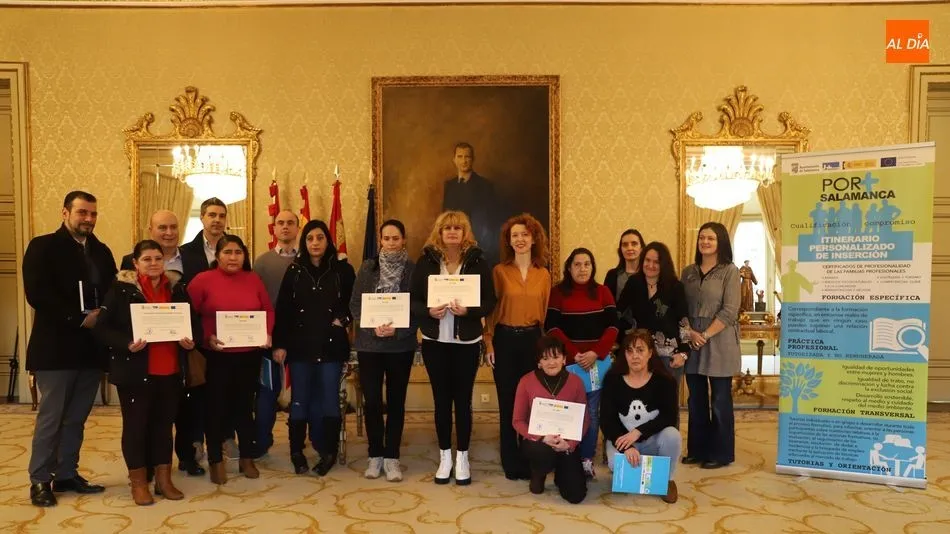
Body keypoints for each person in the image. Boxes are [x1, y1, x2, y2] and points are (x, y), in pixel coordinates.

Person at [23, 191, 117, 507]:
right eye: (82, 213)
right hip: (55, 349)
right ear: (66, 213)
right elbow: (37, 294)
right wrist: (78, 319)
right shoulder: (43, 247)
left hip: (90, 350)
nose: (88, 219)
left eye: (93, 213)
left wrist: (103, 315)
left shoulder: (102, 252)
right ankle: (40, 480)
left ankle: (66, 474)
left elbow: (112, 292)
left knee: (76, 417)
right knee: (51, 418)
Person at [94, 240, 200, 505]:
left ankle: (164, 480)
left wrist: (190, 341)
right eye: (147, 259)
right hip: (135, 371)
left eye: (157, 259)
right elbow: (101, 328)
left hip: (170, 370)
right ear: (136, 263)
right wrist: (127, 343)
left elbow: (192, 324)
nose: (153, 263)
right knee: (136, 427)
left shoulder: (177, 288)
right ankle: (139, 483)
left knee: (164, 428)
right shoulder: (121, 290)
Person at [410, 210, 496, 485]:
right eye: (447, 228)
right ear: (439, 231)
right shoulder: (425, 262)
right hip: (436, 342)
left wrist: (469, 311)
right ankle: (445, 455)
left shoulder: (478, 262)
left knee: (463, 401)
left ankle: (463, 456)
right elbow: (412, 301)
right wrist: (428, 311)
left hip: (466, 343)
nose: (452, 232)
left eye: (457, 228)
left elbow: (488, 302)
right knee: (441, 402)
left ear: (464, 232)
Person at [119, 209, 206, 477]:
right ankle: (143, 471)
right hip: (142, 362)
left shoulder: (189, 264)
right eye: (162, 227)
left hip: (175, 358)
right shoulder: (126, 274)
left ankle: (182, 461)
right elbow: (118, 318)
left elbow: (193, 313)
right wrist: (127, 341)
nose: (168, 232)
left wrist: (194, 339)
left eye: (173, 227)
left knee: (178, 416)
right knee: (142, 422)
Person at [188, 235, 273, 484]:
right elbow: (188, 314)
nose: (233, 257)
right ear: (217, 255)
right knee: (216, 409)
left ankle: (246, 457)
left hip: (249, 355)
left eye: (238, 252)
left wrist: (266, 332)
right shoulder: (203, 280)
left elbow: (267, 309)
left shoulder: (253, 279)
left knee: (245, 408)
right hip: (216, 356)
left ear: (244, 255)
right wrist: (206, 336)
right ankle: (216, 460)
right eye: (227, 252)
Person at [273, 220, 355, 476]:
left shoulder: (343, 270)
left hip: (331, 345)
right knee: (300, 401)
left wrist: (343, 319)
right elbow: (283, 310)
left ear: (327, 240)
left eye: (320, 237)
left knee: (330, 400)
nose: (315, 243)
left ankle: (328, 451)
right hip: (300, 347)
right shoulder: (294, 270)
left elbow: (355, 301)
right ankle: (296, 451)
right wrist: (279, 344)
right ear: (304, 242)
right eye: (310, 239)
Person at [483, 213, 551, 481]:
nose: (520, 239)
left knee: (535, 403)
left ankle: (531, 456)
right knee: (508, 402)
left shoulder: (543, 274)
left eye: (525, 234)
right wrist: (489, 342)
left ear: (533, 238)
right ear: (509, 242)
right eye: (515, 236)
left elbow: (546, 313)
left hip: (533, 341)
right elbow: (490, 312)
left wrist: (546, 351)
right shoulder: (499, 272)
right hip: (505, 340)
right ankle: (511, 461)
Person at [350, 219, 416, 482]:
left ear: (403, 240)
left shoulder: (413, 269)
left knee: (397, 402)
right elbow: (356, 304)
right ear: (380, 240)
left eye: (395, 238)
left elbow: (418, 307)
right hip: (370, 346)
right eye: (386, 238)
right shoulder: (367, 267)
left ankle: (392, 457)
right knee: (373, 402)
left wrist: (398, 331)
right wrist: (370, 328)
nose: (390, 243)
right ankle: (375, 454)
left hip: (400, 346)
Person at [544, 248, 618, 480]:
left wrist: (595, 353)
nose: (583, 269)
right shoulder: (558, 293)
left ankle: (586, 458)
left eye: (587, 264)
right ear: (569, 267)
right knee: (567, 412)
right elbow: (552, 327)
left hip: (597, 364)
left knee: (592, 414)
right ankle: (564, 455)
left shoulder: (603, 292)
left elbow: (613, 327)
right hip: (569, 364)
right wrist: (575, 354)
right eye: (577, 264)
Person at [681, 222, 741, 469]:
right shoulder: (688, 272)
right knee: (695, 399)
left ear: (721, 242)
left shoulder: (730, 271)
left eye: (711, 238)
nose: (705, 242)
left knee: (719, 400)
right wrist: (689, 332)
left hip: (720, 341)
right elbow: (679, 305)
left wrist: (703, 335)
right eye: (702, 237)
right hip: (691, 340)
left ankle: (720, 453)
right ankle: (697, 450)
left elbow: (730, 311)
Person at [600, 329, 680, 503]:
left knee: (672, 436)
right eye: (630, 351)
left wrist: (638, 432)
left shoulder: (665, 381)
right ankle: (644, 469)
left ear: (650, 353)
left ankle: (667, 479)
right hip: (623, 441)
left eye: (640, 350)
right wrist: (626, 447)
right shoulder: (612, 380)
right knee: (615, 464)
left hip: (651, 440)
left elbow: (669, 418)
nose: (634, 356)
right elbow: (607, 420)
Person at [511, 336, 588, 504]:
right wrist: (541, 437)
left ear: (564, 359)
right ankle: (538, 472)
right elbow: (517, 421)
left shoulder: (576, 383)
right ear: (539, 361)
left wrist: (570, 444)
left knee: (576, 496)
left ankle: (561, 473)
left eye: (556, 357)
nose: (551, 362)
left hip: (566, 443)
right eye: (545, 358)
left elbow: (584, 419)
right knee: (543, 452)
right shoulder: (526, 382)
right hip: (537, 442)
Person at [252, 209, 300, 458]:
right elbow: (255, 302)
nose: (285, 227)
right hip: (269, 339)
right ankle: (261, 442)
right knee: (267, 395)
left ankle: (298, 442)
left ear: (297, 228)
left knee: (301, 394)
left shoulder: (308, 259)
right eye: (280, 223)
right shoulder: (261, 262)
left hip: (302, 340)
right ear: (274, 228)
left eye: (290, 223)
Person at [616, 242, 689, 388]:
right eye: (647, 260)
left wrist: (683, 353)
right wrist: (624, 341)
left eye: (656, 262)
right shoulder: (634, 283)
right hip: (640, 355)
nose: (650, 265)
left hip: (669, 356)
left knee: (666, 405)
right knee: (642, 404)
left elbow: (684, 322)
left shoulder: (675, 286)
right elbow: (619, 313)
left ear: (664, 264)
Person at [441, 142, 506, 267]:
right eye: (460, 157)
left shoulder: (485, 186)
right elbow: (445, 217)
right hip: (454, 247)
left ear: (472, 159)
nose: (464, 161)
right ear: (454, 160)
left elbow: (491, 221)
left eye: (467, 157)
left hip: (478, 248)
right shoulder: (449, 186)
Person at [119, 210, 184, 273]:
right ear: (151, 231)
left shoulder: (191, 258)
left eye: (173, 227)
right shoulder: (129, 261)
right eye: (163, 228)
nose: (169, 233)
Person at [180, 197, 229, 278]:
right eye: (212, 215)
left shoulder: (238, 249)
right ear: (201, 217)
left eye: (222, 216)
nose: (217, 220)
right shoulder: (185, 252)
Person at [603, 229, 645, 303]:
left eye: (634, 244)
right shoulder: (612, 275)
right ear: (621, 250)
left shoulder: (649, 275)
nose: (629, 248)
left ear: (641, 248)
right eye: (625, 245)